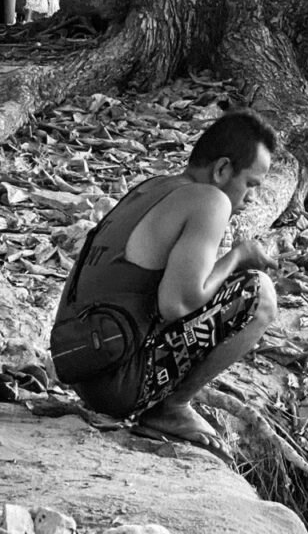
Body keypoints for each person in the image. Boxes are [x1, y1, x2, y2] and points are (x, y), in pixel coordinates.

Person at [50, 109, 279, 451]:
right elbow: (177, 303)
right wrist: (237, 257)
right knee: (259, 293)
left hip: (82, 362)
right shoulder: (210, 200)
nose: (252, 199)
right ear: (222, 169)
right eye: (251, 185)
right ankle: (171, 409)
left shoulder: (154, 187)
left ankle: (162, 402)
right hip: (119, 384)